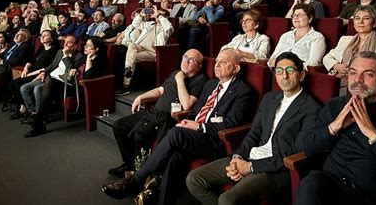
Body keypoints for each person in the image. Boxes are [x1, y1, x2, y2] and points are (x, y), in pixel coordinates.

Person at [102, 49, 256, 205]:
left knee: (176, 133)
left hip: (214, 140)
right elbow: (196, 111)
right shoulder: (211, 85)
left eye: (223, 62)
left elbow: (230, 124)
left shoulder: (243, 92)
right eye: (217, 61)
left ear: (235, 69)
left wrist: (199, 126)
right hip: (194, 134)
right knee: (175, 156)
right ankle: (161, 198)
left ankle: (135, 181)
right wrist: (187, 122)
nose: (217, 65)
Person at [186, 52, 320, 205]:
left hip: (276, 170)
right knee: (194, 179)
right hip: (251, 157)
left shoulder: (312, 108)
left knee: (227, 200)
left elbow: (293, 153)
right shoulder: (270, 99)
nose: (284, 76)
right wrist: (238, 158)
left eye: (290, 70)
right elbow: (254, 134)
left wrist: (250, 167)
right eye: (279, 71)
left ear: (301, 75)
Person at [296, 52, 376, 205]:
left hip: (371, 197)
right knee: (310, 183)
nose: (357, 80)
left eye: (367, 75)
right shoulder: (334, 106)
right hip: (330, 187)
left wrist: (373, 135)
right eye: (353, 72)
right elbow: (307, 147)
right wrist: (334, 127)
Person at [108, 49, 206, 178]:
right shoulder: (176, 73)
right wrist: (141, 97)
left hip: (167, 118)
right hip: (152, 111)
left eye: (191, 60)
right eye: (185, 57)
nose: (186, 61)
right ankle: (129, 164)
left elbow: (187, 104)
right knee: (118, 126)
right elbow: (160, 90)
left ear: (199, 66)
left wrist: (180, 80)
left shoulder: (200, 80)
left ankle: (139, 173)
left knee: (139, 134)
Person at [324, 5, 376, 88]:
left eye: (366, 18)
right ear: (353, 23)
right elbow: (327, 57)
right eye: (357, 18)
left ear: (374, 23)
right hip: (339, 81)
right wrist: (337, 66)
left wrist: (358, 68)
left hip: (366, 85)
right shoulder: (345, 39)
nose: (360, 22)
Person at [268, 4, 326, 69]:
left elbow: (313, 62)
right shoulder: (285, 35)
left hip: (298, 71)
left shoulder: (317, 37)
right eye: (294, 15)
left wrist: (292, 67)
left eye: (300, 15)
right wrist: (273, 62)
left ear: (310, 18)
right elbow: (273, 57)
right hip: (277, 68)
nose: (295, 17)